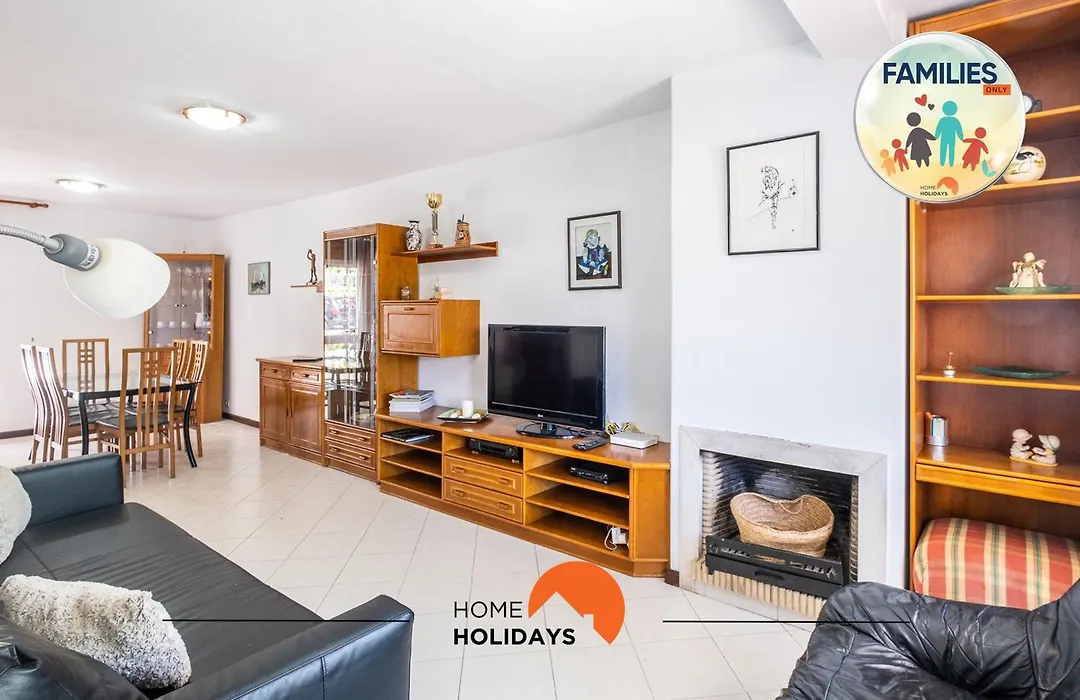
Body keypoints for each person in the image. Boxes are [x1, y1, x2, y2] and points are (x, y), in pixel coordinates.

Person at [935, 101, 964, 167]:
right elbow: (959, 130)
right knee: (951, 149)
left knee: (943, 149)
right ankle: (951, 163)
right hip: (952, 138)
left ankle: (942, 163)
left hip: (944, 138)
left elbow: (938, 129)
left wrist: (936, 136)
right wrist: (961, 137)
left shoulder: (943, 120)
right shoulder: (955, 120)